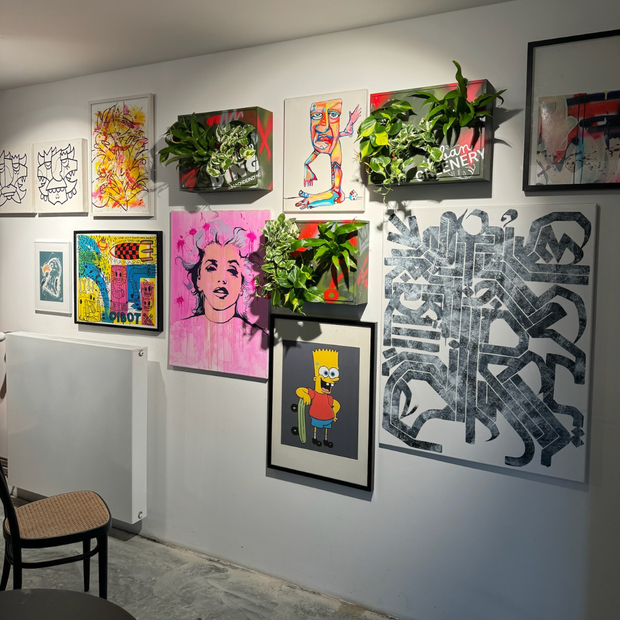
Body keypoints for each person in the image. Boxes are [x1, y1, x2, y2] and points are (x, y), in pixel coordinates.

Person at [170, 224, 265, 373]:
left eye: (232, 270)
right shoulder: (178, 332)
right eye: (211, 268)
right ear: (198, 279)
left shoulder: (258, 338)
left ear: (242, 284)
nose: (221, 279)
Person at [295, 99, 361, 209]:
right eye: (316, 115)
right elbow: (315, 153)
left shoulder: (333, 151)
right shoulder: (322, 144)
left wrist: (312, 199)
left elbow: (337, 194)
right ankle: (312, 199)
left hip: (335, 156)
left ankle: (312, 199)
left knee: (337, 192)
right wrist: (306, 165)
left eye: (334, 114)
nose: (324, 127)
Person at [296, 349, 341, 449]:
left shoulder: (328, 397)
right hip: (316, 416)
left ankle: (325, 440)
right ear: (316, 379)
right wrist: (306, 396)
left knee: (326, 429)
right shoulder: (314, 394)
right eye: (325, 373)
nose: (329, 380)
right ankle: (315, 438)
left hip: (328, 417)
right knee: (316, 427)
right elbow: (299, 390)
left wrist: (334, 412)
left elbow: (337, 404)